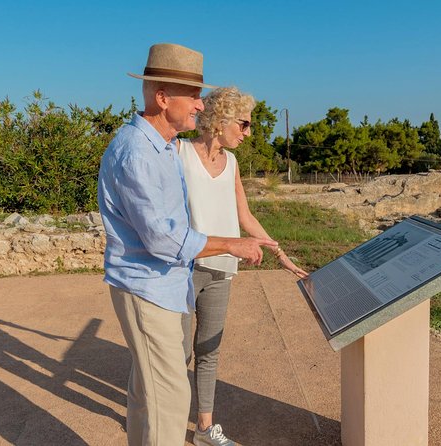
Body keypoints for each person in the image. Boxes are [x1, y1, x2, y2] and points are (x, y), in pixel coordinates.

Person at [97, 43, 277, 446]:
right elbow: (164, 239)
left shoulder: (157, 147)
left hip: (161, 285)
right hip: (148, 287)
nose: (200, 106)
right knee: (170, 399)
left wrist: (262, 244)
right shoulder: (141, 153)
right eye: (193, 96)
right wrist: (233, 245)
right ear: (163, 98)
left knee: (149, 395)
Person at [179, 87, 308, 445]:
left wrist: (282, 256)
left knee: (208, 350)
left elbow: (244, 216)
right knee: (177, 353)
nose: (248, 132)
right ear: (219, 120)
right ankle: (166, 425)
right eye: (244, 124)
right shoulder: (179, 152)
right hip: (184, 268)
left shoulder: (232, 163)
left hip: (222, 270)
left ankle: (204, 429)